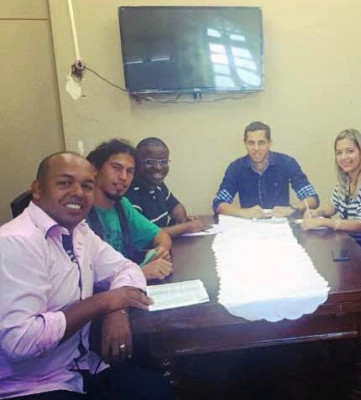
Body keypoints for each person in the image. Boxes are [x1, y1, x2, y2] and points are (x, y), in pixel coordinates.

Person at [0, 152, 174, 400]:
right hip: (30, 385)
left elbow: (126, 268)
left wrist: (118, 311)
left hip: (80, 368)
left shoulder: (80, 232)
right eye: (64, 183)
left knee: (158, 388)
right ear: (37, 190)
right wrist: (103, 302)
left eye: (87, 186)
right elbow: (20, 342)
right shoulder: (16, 242)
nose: (78, 193)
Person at [301, 128, 361, 271]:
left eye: (350, 151)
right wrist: (317, 212)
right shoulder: (345, 178)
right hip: (357, 245)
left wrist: (323, 222)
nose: (344, 157)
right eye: (339, 153)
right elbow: (333, 206)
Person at [86, 139, 173, 282]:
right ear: (95, 169)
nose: (123, 177)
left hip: (128, 287)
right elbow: (86, 281)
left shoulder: (122, 205)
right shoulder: (80, 212)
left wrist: (160, 252)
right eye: (116, 168)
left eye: (130, 171)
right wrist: (140, 273)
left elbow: (161, 235)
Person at [213, 121, 319, 219]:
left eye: (261, 143)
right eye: (251, 143)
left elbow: (312, 198)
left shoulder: (287, 163)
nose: (256, 148)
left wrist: (292, 209)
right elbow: (218, 203)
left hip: (281, 225)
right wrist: (242, 212)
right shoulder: (236, 168)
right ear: (245, 144)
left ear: (269, 143)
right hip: (249, 226)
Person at [126, 137, 208, 238]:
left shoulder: (158, 185)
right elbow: (144, 233)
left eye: (163, 162)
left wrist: (182, 220)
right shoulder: (130, 191)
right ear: (136, 162)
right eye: (150, 162)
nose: (158, 167)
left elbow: (176, 207)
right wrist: (186, 227)